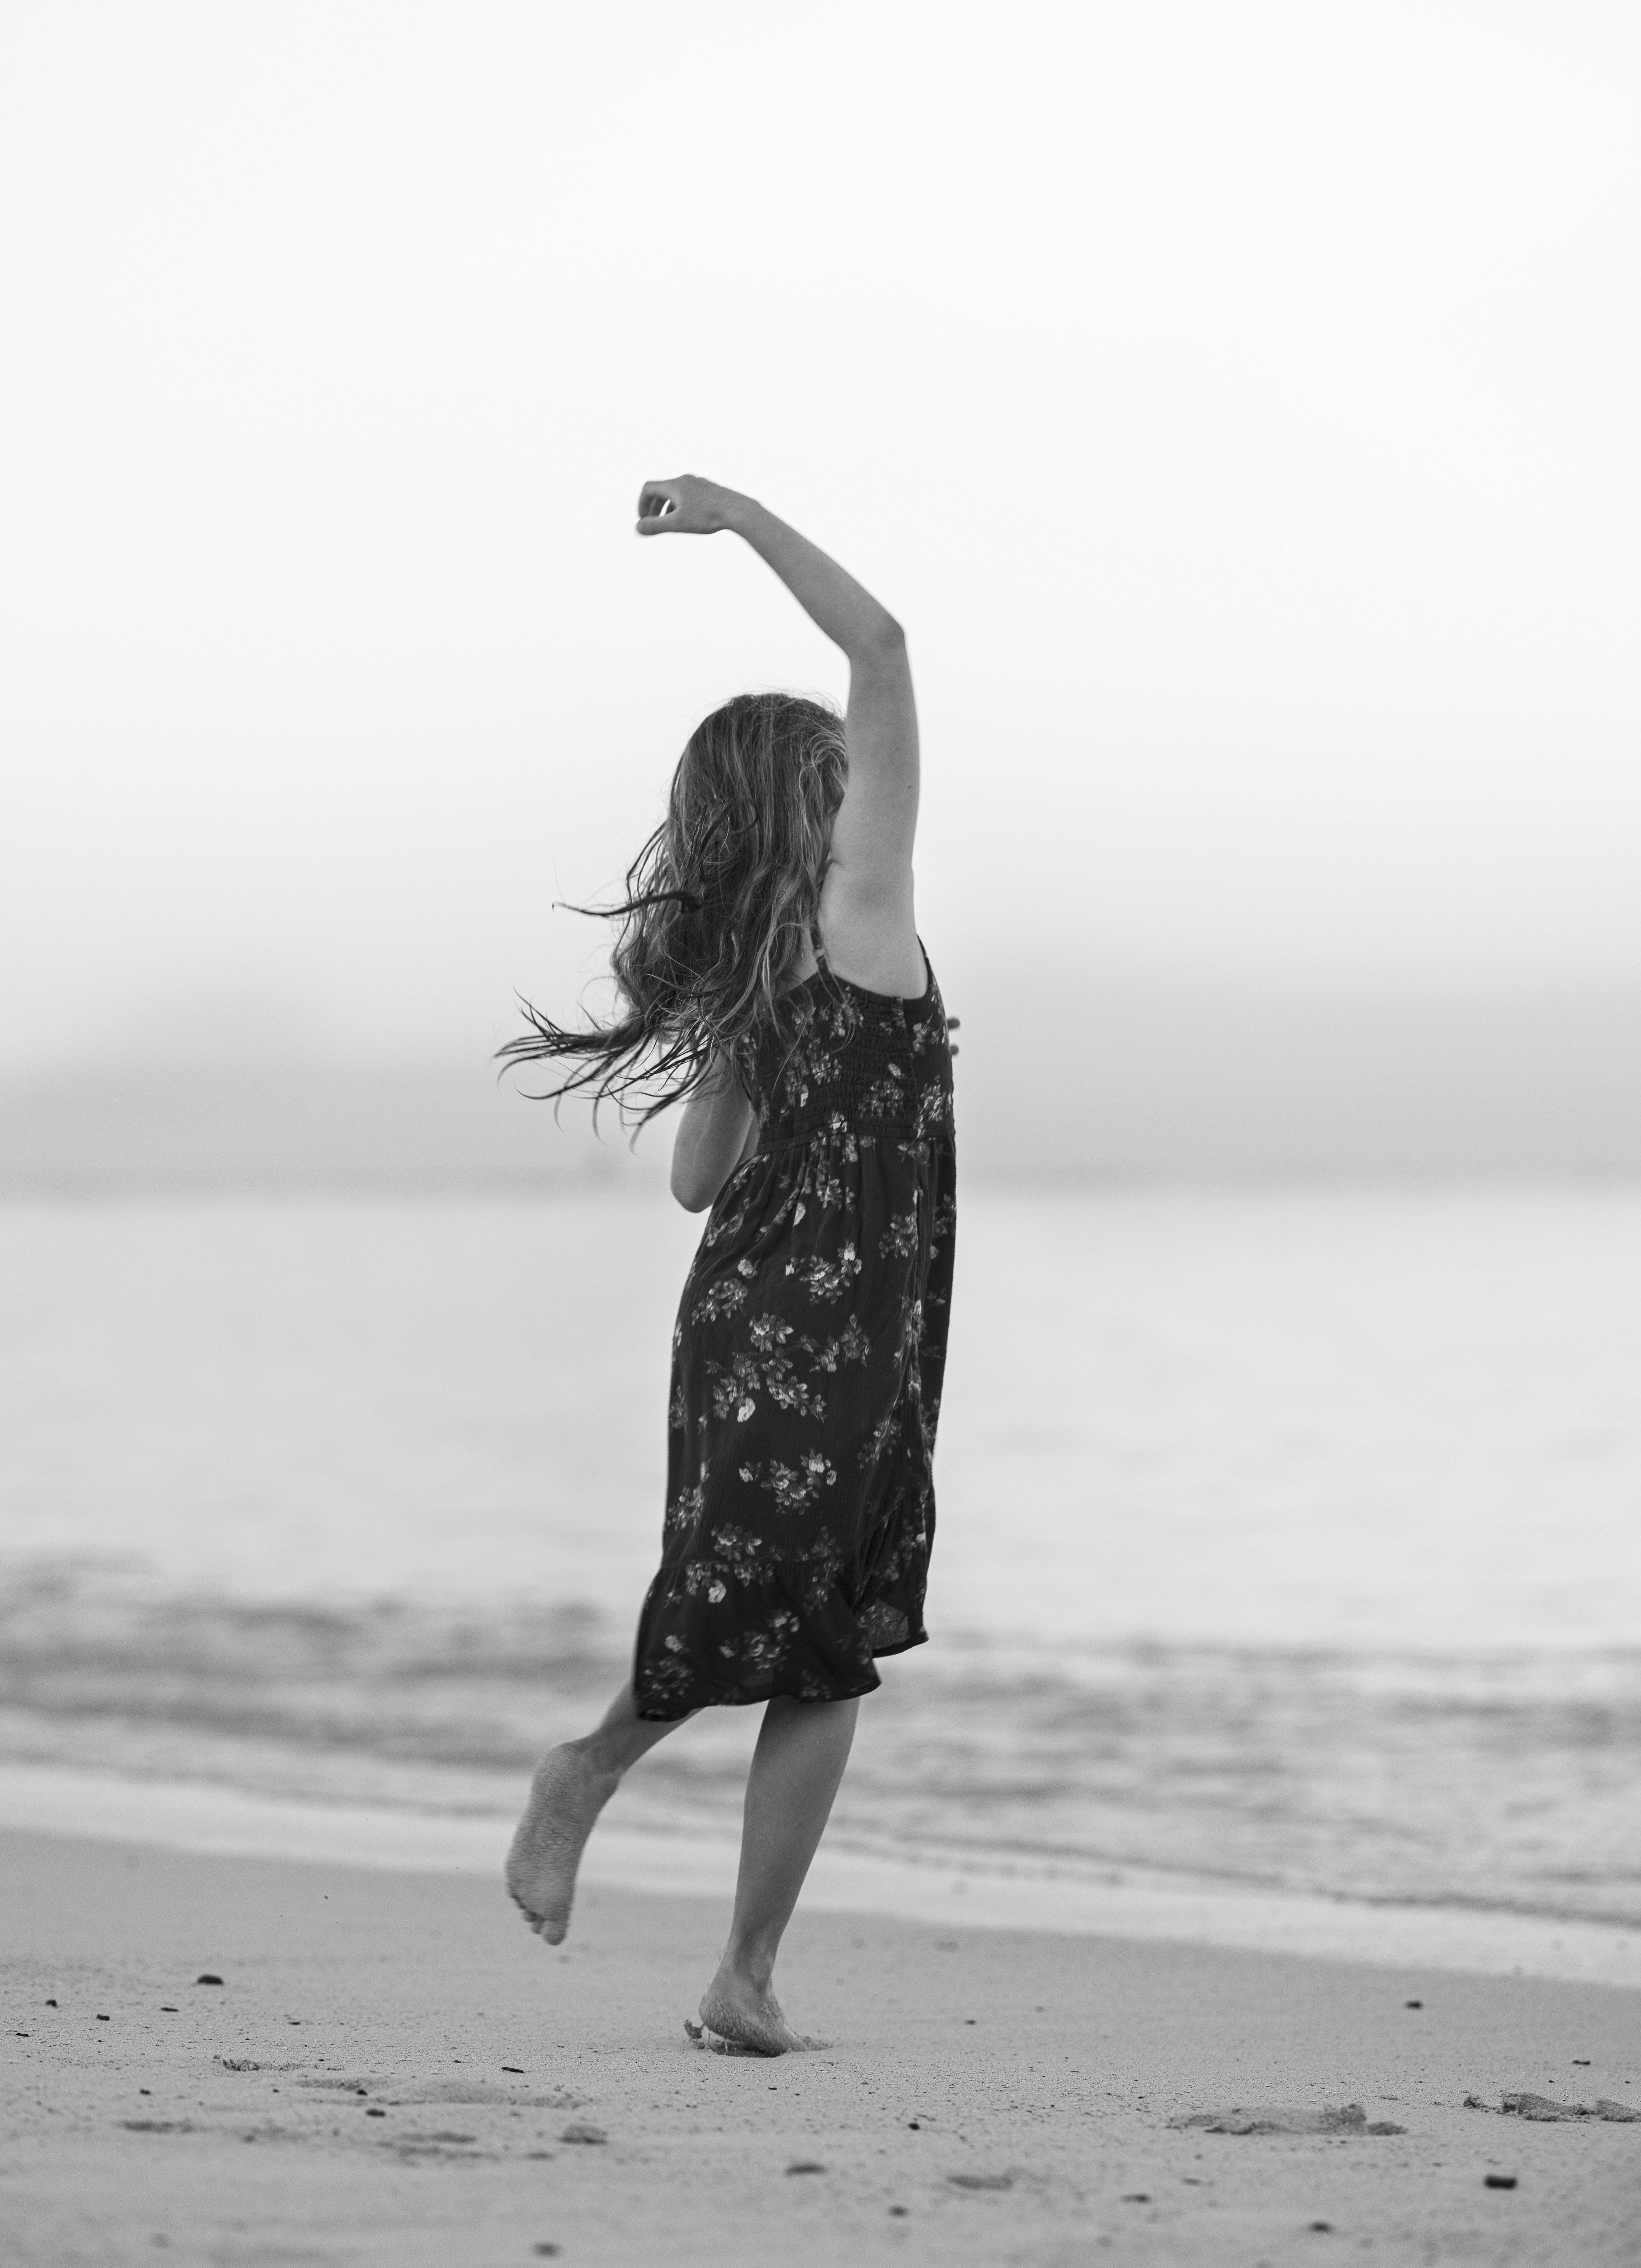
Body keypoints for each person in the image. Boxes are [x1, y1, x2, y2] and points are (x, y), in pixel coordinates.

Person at [501, 477, 956, 2056]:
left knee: (825, 1645)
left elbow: (699, 1184)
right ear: (819, 797)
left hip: (803, 1330)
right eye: (846, 777)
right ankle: (588, 1769)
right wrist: (742, 515)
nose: (872, 789)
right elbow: (884, 642)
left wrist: (744, 1050)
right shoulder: (866, 909)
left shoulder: (774, 981)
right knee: (764, 1611)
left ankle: (745, 1977)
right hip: (829, 1338)